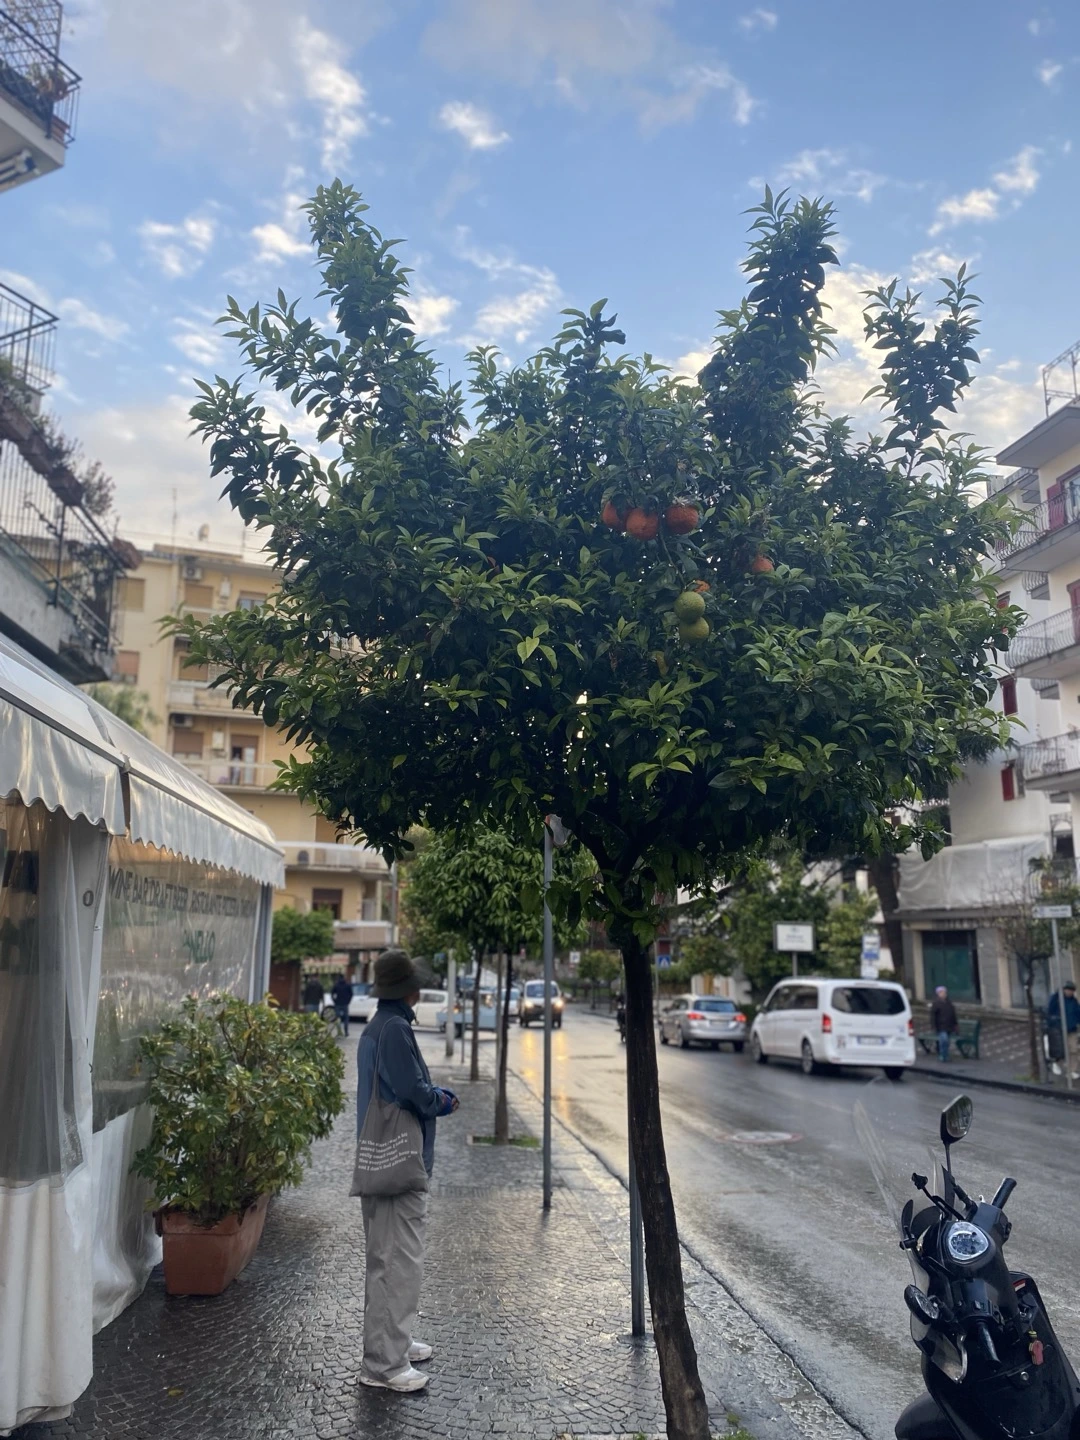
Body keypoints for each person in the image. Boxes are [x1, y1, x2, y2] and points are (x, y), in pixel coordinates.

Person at [356, 948, 459, 1393]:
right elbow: (412, 1090)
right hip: (397, 1163)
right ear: (408, 989)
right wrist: (441, 1101)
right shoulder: (395, 1029)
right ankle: (384, 1365)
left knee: (389, 1259)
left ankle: (392, 1343)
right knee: (397, 1262)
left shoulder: (377, 1026)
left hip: (381, 1158)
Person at [1046, 980, 1080, 1080]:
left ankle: (1072, 1071)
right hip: (1059, 1030)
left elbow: (1077, 1013)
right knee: (1060, 1050)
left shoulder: (1074, 1001)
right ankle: (1055, 1063)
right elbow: (1050, 1010)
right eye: (1068, 990)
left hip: (1072, 1029)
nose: (1069, 992)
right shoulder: (1057, 999)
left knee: (1073, 1049)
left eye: (1071, 990)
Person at [930, 985, 958, 1063]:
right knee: (944, 1040)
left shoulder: (949, 1003)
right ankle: (943, 1055)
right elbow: (933, 1016)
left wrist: (955, 1024)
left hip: (949, 1026)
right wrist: (934, 1026)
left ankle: (945, 1055)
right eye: (941, 992)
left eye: (944, 992)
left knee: (947, 1042)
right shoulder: (936, 1004)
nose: (943, 994)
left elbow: (953, 1014)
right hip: (941, 1026)